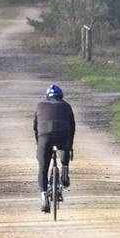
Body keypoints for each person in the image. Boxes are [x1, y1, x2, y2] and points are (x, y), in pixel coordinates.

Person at [34, 84, 75, 213]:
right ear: (61, 96)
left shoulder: (40, 106)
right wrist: (69, 147)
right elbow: (72, 128)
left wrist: (39, 145)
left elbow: (35, 128)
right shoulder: (66, 106)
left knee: (43, 168)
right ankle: (64, 170)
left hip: (44, 137)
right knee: (65, 143)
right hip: (63, 135)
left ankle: (44, 197)